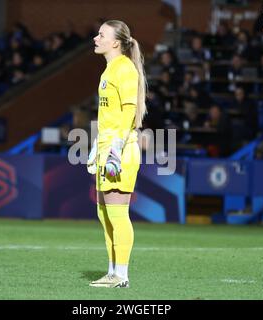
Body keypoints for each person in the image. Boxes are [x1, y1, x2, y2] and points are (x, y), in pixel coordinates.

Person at [87, 20, 147, 288]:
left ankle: (121, 275)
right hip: (108, 148)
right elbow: (109, 117)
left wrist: (115, 148)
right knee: (104, 214)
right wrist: (96, 146)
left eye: (101, 35)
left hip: (119, 151)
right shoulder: (110, 70)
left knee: (117, 213)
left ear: (116, 43)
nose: (95, 38)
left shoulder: (124, 68)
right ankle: (112, 272)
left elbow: (128, 113)